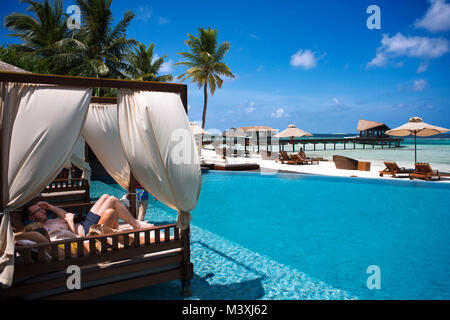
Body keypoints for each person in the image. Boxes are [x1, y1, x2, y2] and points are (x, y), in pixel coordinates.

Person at [21, 194, 153, 239]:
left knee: (105, 197)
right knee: (112, 200)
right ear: (32, 218)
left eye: (42, 209)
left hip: (85, 224)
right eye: (39, 211)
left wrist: (50, 206)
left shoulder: (50, 220)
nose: (43, 211)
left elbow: (66, 215)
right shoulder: (43, 229)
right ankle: (136, 224)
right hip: (85, 232)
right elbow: (72, 237)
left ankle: (131, 220)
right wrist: (71, 223)